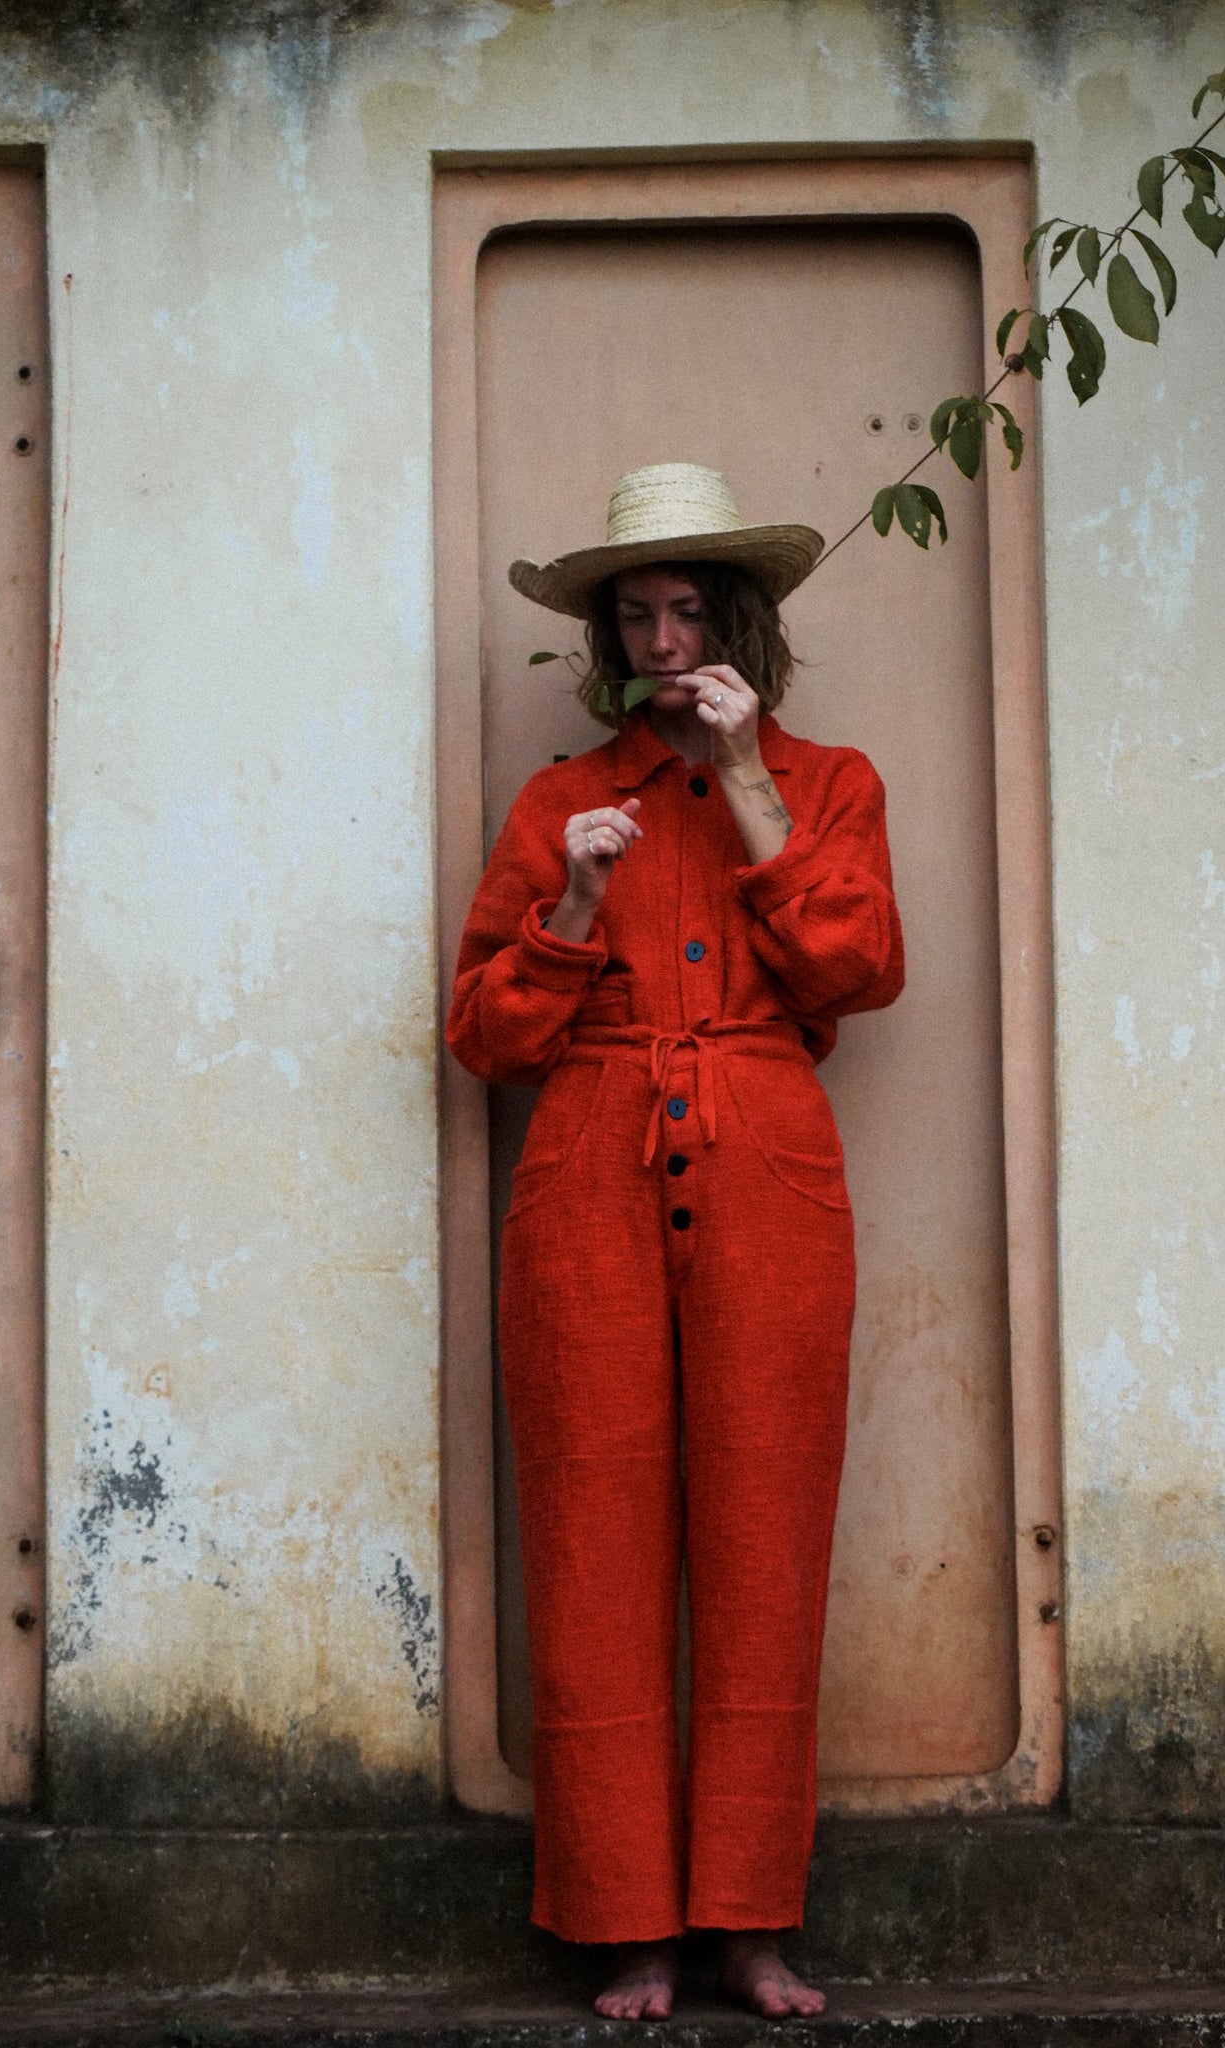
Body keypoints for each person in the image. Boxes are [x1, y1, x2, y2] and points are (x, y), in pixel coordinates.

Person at [446, 463, 904, 2020]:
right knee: (591, 1538)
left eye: (685, 608)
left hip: (768, 1156)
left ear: (738, 624)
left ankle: (750, 1926)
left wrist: (748, 773)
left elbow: (855, 968)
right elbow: (484, 1039)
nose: (657, 633)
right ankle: (626, 1924)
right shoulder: (555, 808)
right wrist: (572, 904)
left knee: (768, 1539)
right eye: (634, 613)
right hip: (588, 1156)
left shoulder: (830, 781)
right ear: (605, 636)